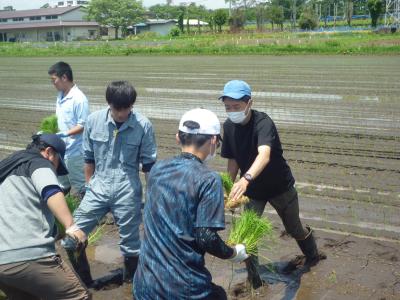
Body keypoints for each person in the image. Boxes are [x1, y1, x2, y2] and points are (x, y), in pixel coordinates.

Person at [133, 108, 249, 300]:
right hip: (182, 288)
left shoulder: (157, 170)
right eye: (217, 143)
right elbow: (205, 237)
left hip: (144, 283)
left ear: (178, 137)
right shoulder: (208, 179)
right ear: (213, 141)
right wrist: (233, 253)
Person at [219, 80, 325, 277]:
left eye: (236, 106)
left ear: (249, 103)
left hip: (280, 187)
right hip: (252, 192)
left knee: (294, 229)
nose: (232, 111)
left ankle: (312, 255)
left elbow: (264, 155)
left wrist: (246, 178)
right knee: (248, 234)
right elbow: (232, 159)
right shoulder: (229, 126)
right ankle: (254, 279)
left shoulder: (263, 123)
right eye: (227, 107)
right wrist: (229, 186)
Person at [62, 80, 157, 286]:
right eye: (117, 109)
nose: (122, 113)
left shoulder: (143, 125)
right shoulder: (94, 121)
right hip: (98, 187)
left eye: (127, 108)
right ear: (109, 104)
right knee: (72, 237)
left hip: (128, 189)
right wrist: (89, 187)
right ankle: (86, 283)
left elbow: (149, 165)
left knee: (132, 246)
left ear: (132, 105)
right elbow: (89, 158)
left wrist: (151, 199)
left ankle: (131, 284)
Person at [0, 134, 90, 300]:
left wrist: (56, 232)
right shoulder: (39, 163)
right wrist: (71, 226)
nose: (55, 170)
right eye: (57, 164)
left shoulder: (6, 169)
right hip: (28, 256)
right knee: (79, 297)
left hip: (2, 266)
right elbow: (50, 190)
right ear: (49, 152)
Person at [48, 61, 90, 197]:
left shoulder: (79, 99)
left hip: (75, 152)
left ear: (64, 77)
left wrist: (64, 134)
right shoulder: (60, 96)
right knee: (61, 184)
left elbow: (83, 125)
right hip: (60, 150)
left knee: (81, 186)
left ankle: (90, 216)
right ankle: (61, 213)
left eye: (54, 80)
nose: (52, 83)